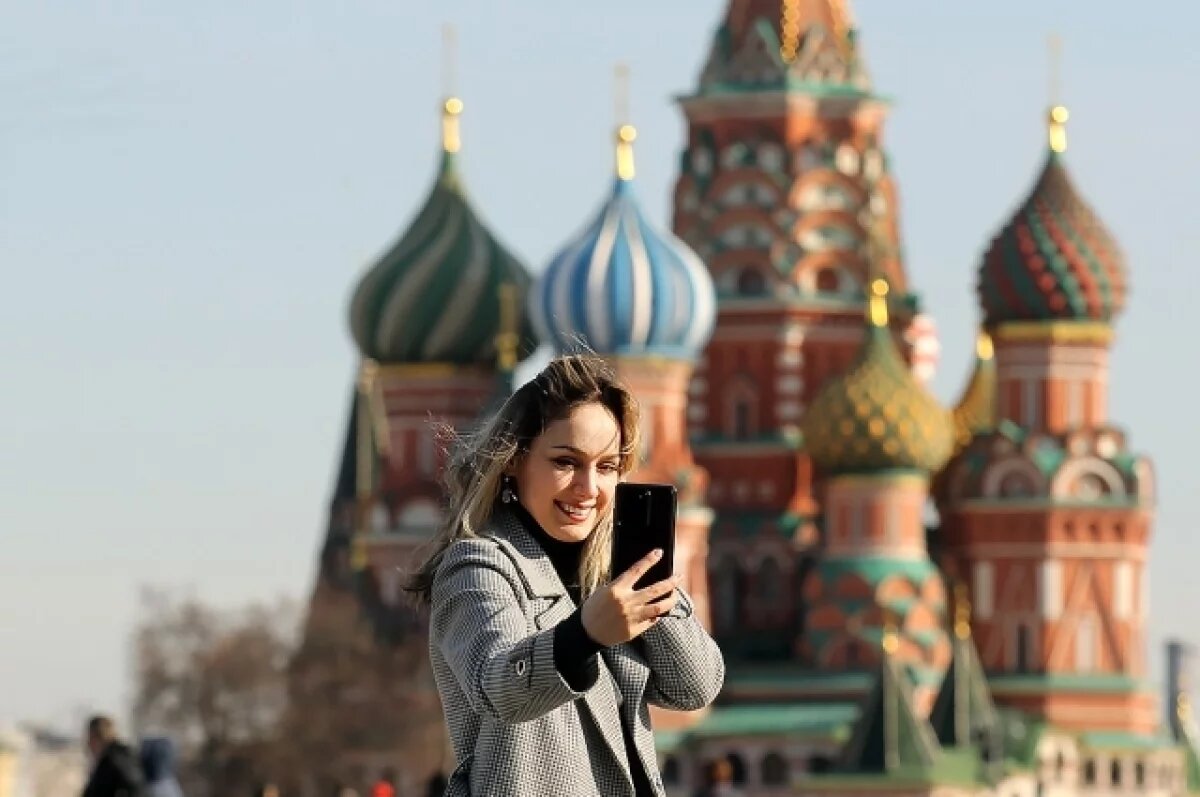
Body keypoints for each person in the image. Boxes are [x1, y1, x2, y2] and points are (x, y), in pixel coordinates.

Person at [409, 354, 725, 796]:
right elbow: (500, 687)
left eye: (607, 466)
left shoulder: (609, 575)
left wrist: (654, 583)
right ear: (515, 460)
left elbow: (695, 687)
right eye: (565, 462)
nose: (588, 487)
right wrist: (584, 635)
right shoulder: (478, 567)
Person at [81, 715, 146, 797]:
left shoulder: (109, 763)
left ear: (97, 737)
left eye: (90, 738)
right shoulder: (128, 756)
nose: (88, 744)